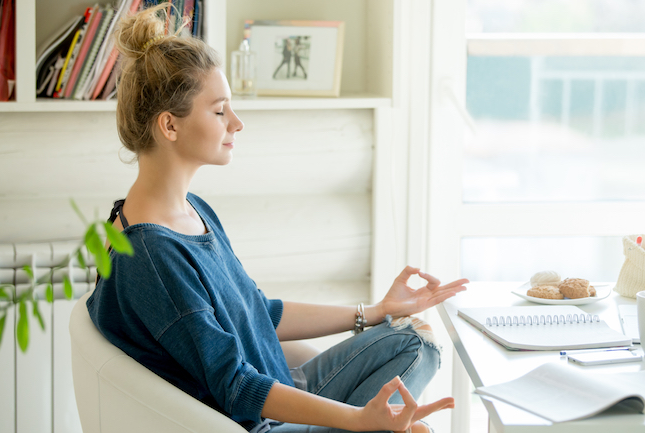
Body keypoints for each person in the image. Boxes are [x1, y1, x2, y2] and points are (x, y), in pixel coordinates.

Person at [88, 5, 468, 433]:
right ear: (169, 127)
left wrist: (376, 311)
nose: (237, 123)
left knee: (414, 341)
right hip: (261, 422)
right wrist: (360, 421)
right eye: (219, 111)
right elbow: (235, 385)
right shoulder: (152, 255)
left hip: (284, 386)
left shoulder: (190, 210)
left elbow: (259, 313)